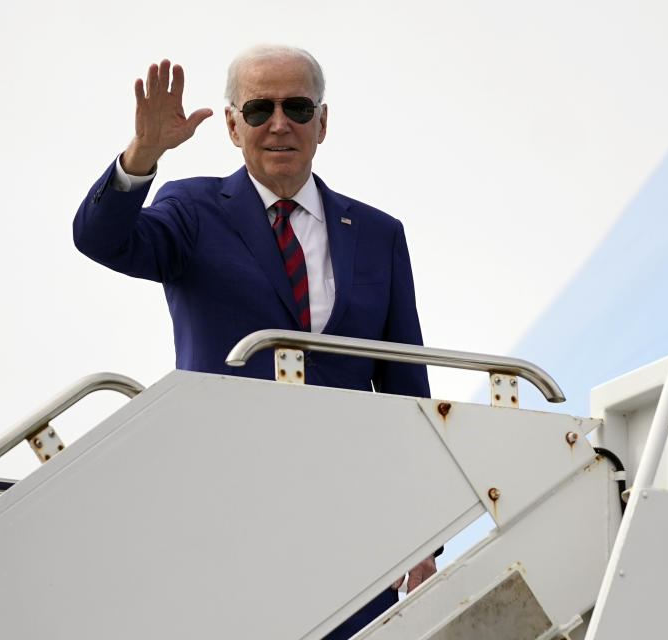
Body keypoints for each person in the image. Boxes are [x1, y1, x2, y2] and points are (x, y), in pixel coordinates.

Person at [73, 44, 434, 640]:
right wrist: (141, 157)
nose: (279, 124)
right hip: (221, 510)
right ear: (233, 125)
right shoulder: (192, 209)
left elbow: (406, 390)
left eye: (297, 106)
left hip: (348, 521)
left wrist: (423, 531)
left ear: (323, 121)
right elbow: (103, 241)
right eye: (259, 109)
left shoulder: (377, 234)